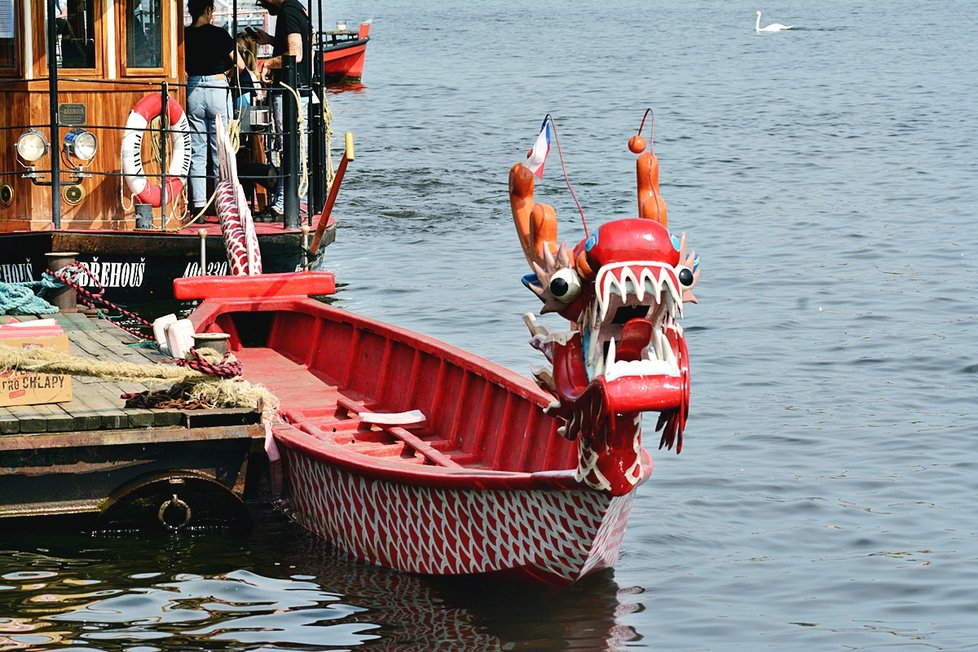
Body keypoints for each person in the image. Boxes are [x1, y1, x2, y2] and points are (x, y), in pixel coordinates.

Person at [251, 0, 311, 220]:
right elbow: (298, 42)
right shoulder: (297, 8)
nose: (264, 6)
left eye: (263, 1)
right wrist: (271, 41)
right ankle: (287, 201)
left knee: (288, 147)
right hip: (295, 90)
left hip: (288, 91)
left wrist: (267, 63)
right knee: (291, 147)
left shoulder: (288, 11)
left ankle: (282, 205)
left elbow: (296, 53)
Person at [184, 0, 237, 214]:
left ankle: (198, 206)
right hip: (217, 86)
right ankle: (222, 204)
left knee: (197, 149)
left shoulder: (184, 36)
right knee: (220, 150)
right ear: (209, 10)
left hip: (193, 89)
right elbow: (239, 64)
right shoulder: (220, 35)